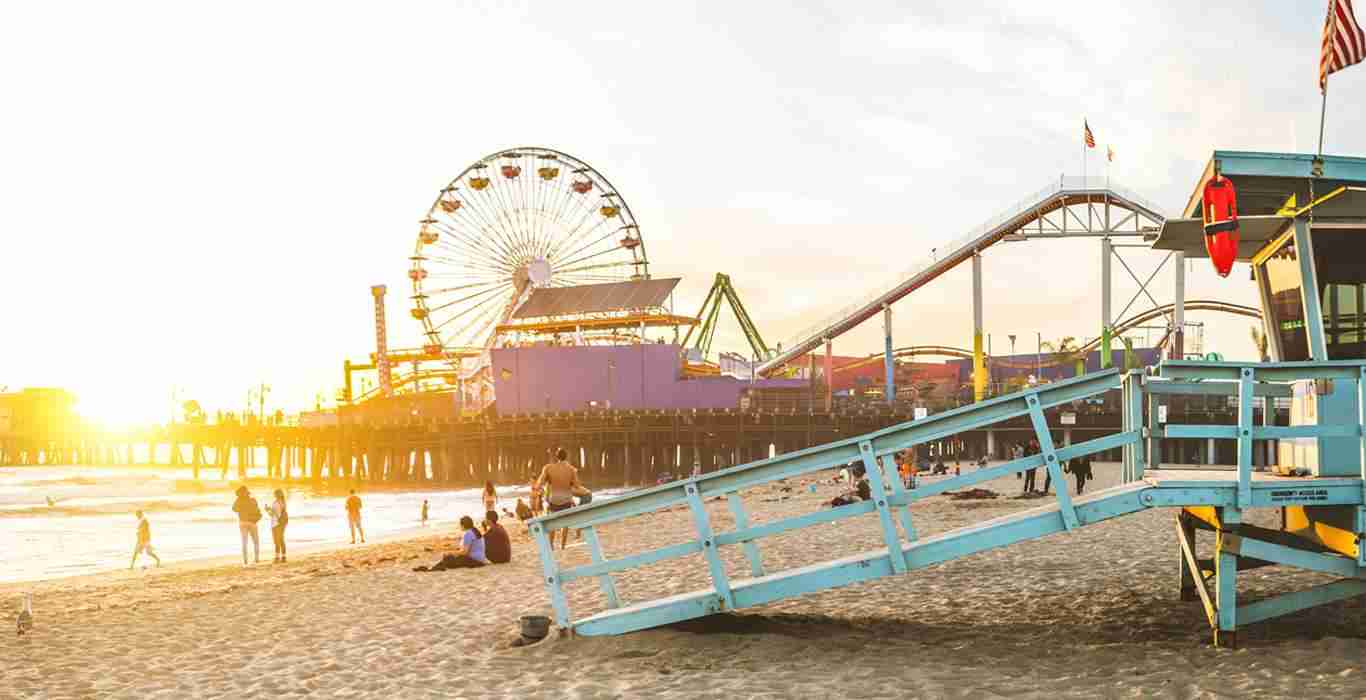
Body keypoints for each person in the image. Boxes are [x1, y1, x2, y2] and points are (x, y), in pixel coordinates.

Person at [536, 448, 590, 549]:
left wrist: (543, 487)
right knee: (565, 523)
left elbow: (539, 483)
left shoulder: (548, 468)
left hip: (553, 500)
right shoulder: (571, 469)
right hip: (566, 500)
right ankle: (562, 545)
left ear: (556, 457)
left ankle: (551, 545)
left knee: (552, 523)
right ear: (567, 456)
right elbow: (577, 486)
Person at [232, 486, 262, 566]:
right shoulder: (253, 500)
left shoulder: (238, 500)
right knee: (256, 542)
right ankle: (256, 559)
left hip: (243, 522)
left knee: (244, 542)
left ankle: (245, 561)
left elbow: (234, 509)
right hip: (252, 522)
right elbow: (257, 510)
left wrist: (241, 509)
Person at [266, 489, 288, 563]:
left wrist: (268, 510)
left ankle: (277, 558)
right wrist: (270, 510)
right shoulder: (283, 502)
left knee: (276, 541)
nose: (274, 495)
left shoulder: (276, 503)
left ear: (276, 495)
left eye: (275, 494)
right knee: (281, 540)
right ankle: (284, 557)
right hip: (282, 523)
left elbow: (273, 514)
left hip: (276, 523)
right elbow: (277, 513)